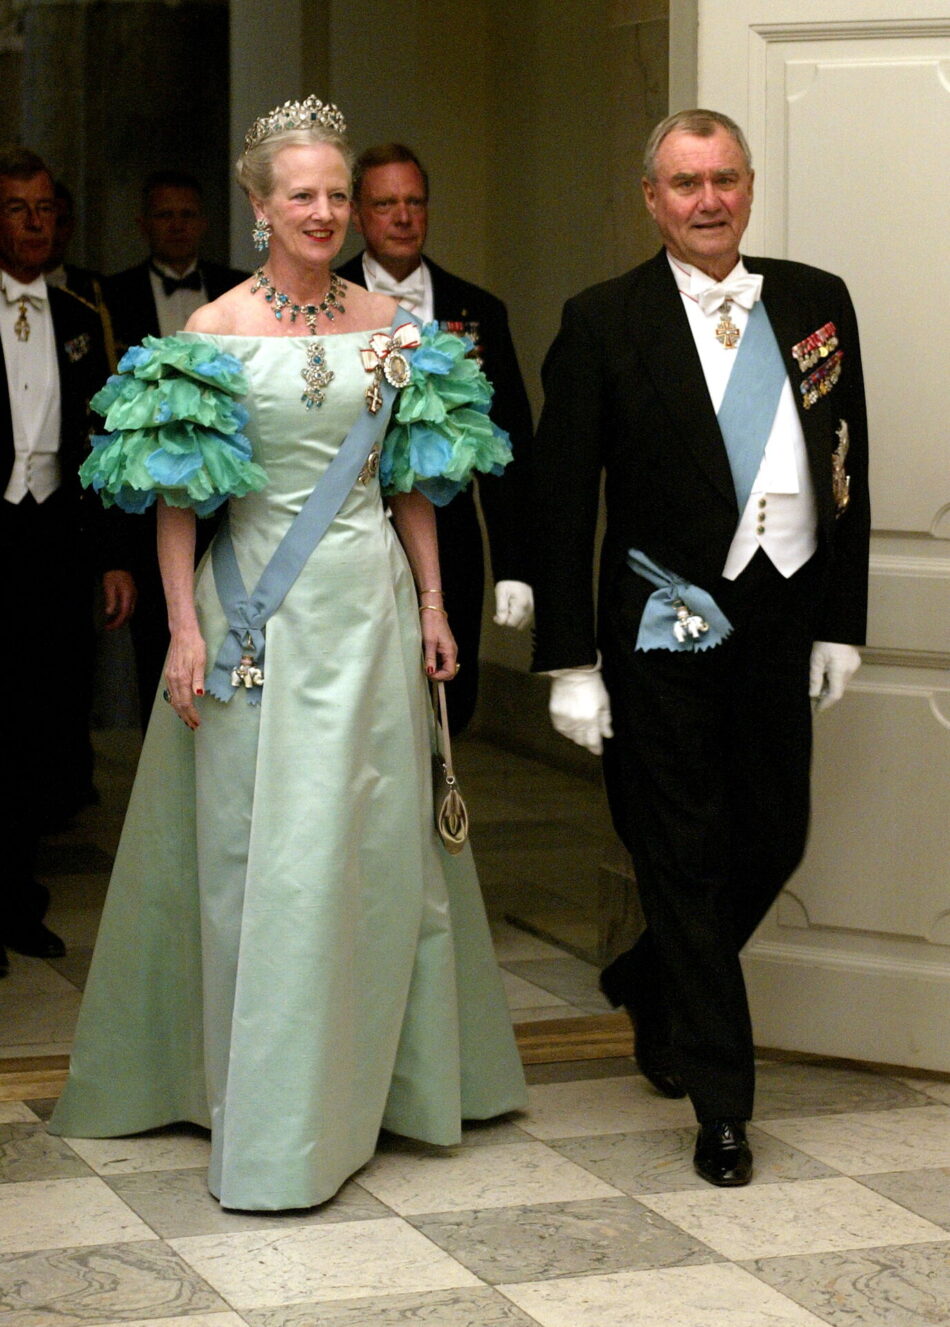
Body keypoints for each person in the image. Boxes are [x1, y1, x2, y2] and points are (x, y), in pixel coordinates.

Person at [50, 97, 527, 1210]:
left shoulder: (390, 326)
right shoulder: (209, 332)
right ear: (258, 205)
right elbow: (175, 501)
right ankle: (266, 1100)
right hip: (251, 624)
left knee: (367, 852)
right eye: (298, 194)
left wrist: (436, 606)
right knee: (260, 858)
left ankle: (389, 1087)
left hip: (369, 616)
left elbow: (410, 480)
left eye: (334, 193)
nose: (321, 211)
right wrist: (179, 627)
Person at [529, 109, 870, 1186]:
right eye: (684, 183)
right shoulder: (600, 321)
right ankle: (721, 1103)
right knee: (679, 853)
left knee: (772, 834)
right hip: (659, 630)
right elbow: (558, 496)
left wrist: (840, 620)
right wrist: (568, 660)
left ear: (749, 185)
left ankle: (647, 973)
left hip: (778, 622)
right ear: (650, 198)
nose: (707, 199)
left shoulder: (814, 302)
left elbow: (849, 465)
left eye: (723, 178)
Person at [336, 144, 534, 732]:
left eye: (414, 202)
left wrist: (517, 565)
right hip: (352, 526)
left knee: (449, 699)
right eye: (386, 203)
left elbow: (508, 442)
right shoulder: (322, 301)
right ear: (356, 214)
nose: (403, 216)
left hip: (450, 533)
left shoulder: (477, 310)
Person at [0, 148, 135, 977]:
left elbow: (110, 440)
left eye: (46, 207)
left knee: (43, 724)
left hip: (55, 541)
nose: (35, 222)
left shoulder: (87, 307)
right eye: (17, 208)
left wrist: (116, 557)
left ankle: (19, 899)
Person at [104, 171, 248, 726]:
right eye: (165, 215)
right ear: (143, 224)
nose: (178, 225)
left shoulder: (239, 291)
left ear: (205, 223)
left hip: (231, 497)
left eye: (188, 214)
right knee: (156, 647)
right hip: (147, 500)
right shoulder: (108, 295)